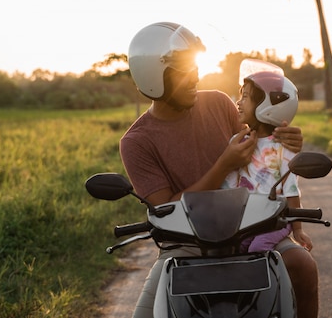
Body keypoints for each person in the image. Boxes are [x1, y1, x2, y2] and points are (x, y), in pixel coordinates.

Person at [119, 22, 319, 318]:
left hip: (248, 230)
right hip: (185, 246)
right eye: (182, 71)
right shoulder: (136, 142)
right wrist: (223, 164)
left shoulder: (219, 103)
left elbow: (261, 148)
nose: (194, 77)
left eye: (193, 68)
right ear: (153, 77)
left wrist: (287, 140)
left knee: (303, 266)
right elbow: (165, 209)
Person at [222, 59, 313, 253]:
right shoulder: (236, 143)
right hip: (246, 220)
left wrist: (298, 229)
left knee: (258, 248)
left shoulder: (282, 147)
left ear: (268, 104)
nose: (238, 102)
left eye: (245, 97)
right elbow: (228, 184)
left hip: (275, 219)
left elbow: (291, 190)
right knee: (233, 249)